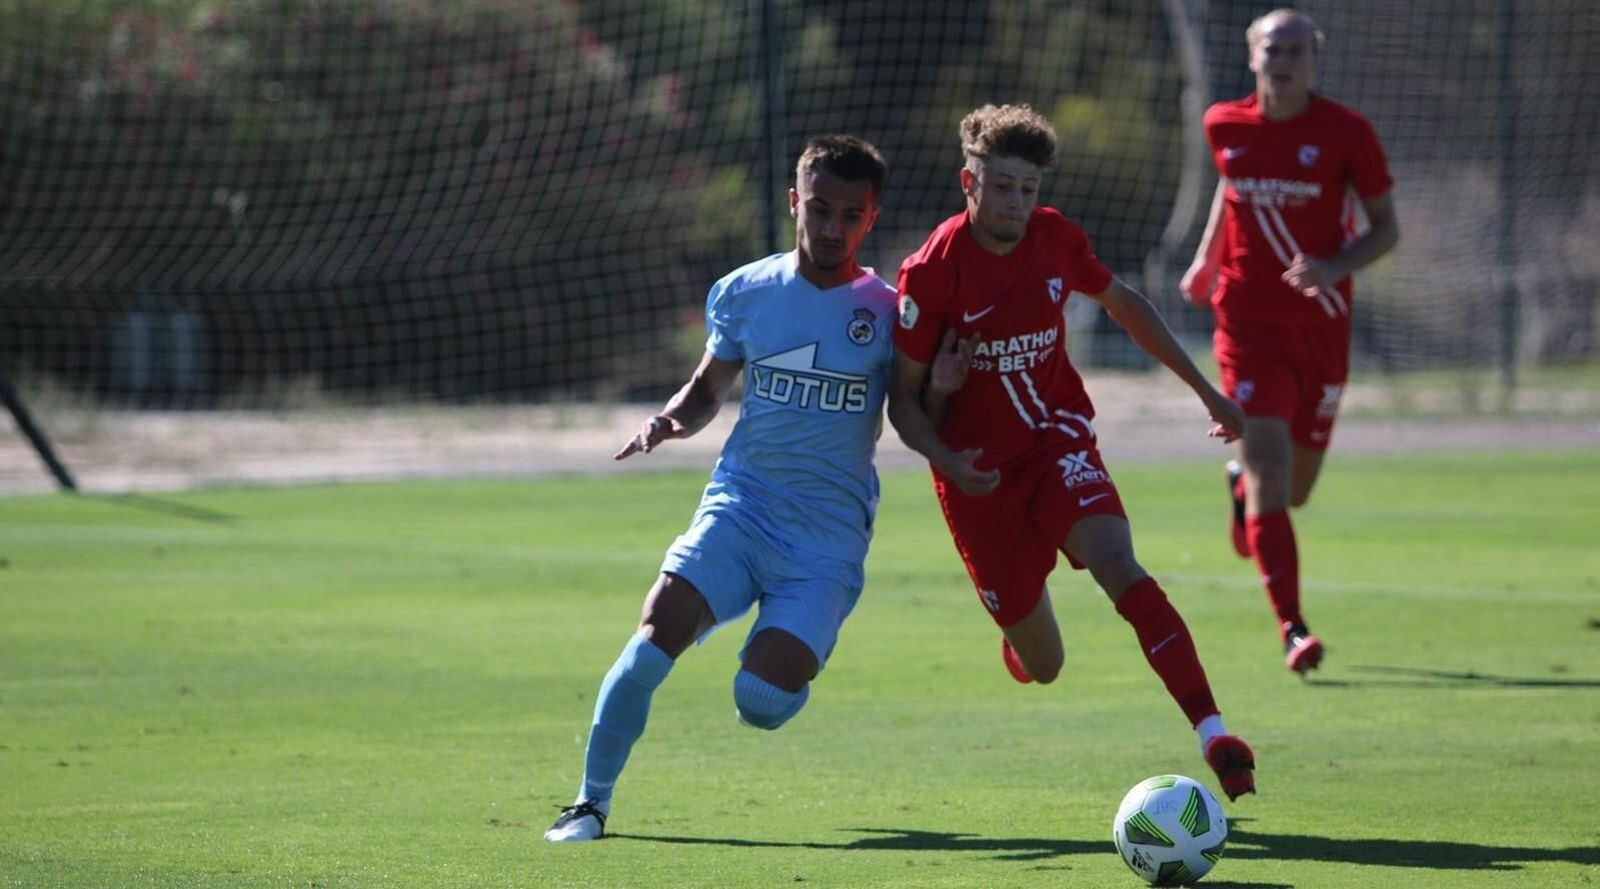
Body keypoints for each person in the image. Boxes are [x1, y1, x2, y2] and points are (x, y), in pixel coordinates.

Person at [886, 103, 1257, 801]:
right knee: (1046, 663)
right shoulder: (932, 271)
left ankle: (1214, 733)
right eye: (1002, 186)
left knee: (1120, 564)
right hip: (978, 480)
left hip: (1058, 440)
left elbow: (1125, 305)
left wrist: (1205, 391)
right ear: (968, 182)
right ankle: (1021, 636)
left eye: (1028, 188)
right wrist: (948, 451)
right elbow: (902, 402)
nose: (1017, 203)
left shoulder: (1056, 240)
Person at [544, 135, 897, 842]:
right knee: (651, 638)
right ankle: (589, 802)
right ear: (795, 202)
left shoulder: (890, 311)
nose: (831, 229)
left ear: (870, 218)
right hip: (743, 507)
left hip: (825, 539)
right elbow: (708, 389)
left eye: (849, 216)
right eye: (819, 209)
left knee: (760, 699)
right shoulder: (747, 291)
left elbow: (918, 408)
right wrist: (669, 419)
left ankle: (796, 653)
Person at [1180, 8, 1399, 676]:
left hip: (1322, 328)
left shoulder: (1347, 133)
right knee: (1272, 471)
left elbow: (1386, 228)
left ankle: (1241, 491)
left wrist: (1334, 266)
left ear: (1315, 61)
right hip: (1246, 323)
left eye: (1298, 50)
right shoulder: (1223, 123)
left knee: (1292, 491)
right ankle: (1292, 628)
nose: (1285, 59)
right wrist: (1206, 259)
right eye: (1273, 48)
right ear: (1253, 56)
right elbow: (1230, 185)